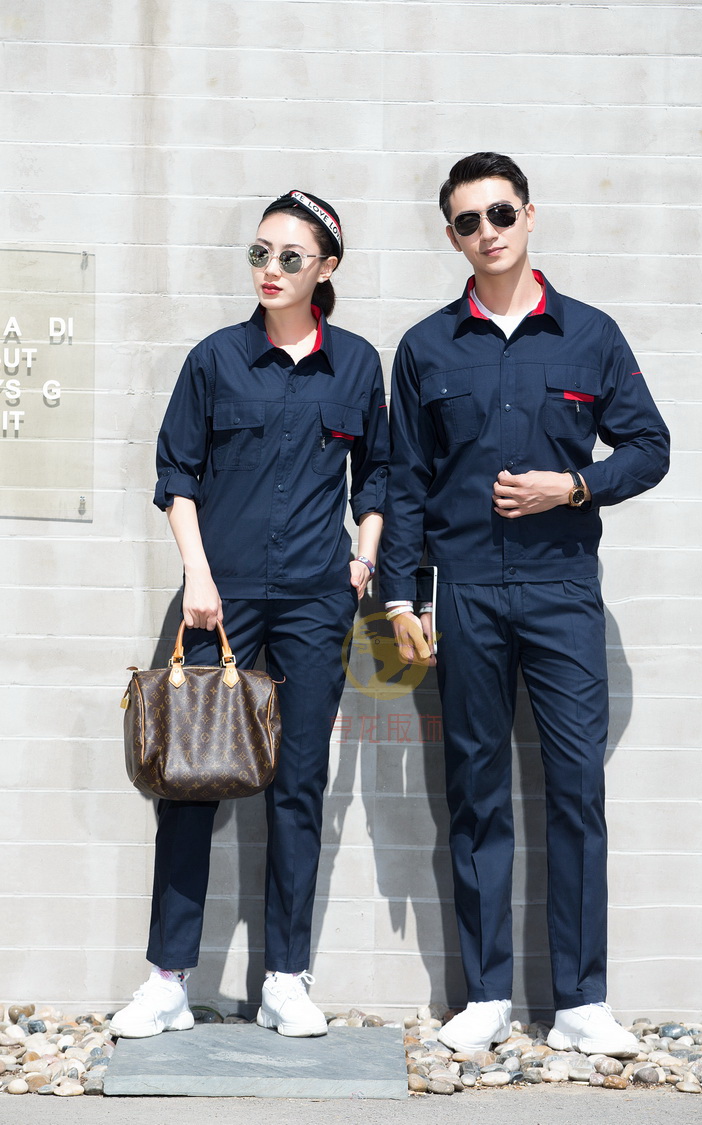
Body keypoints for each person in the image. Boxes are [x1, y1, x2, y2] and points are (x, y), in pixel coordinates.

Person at [379, 153, 669, 1057]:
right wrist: (400, 597)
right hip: (464, 592)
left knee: (576, 788)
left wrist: (572, 485)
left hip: (562, 592)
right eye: (469, 221)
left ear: (530, 216)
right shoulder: (426, 348)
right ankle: (487, 995)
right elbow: (406, 482)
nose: (488, 231)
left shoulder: (590, 335)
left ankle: (581, 1000)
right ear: (452, 236)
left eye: (501, 213)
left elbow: (650, 447)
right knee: (475, 790)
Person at [111, 191, 388, 1040]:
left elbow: (379, 475)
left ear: (326, 268)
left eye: (290, 258)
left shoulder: (357, 365)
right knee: (189, 783)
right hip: (217, 599)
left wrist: (362, 560)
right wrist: (197, 574)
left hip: (314, 602)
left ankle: (285, 979)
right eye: (259, 253)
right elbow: (177, 475)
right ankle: (168, 978)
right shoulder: (216, 359)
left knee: (298, 785)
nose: (270, 270)